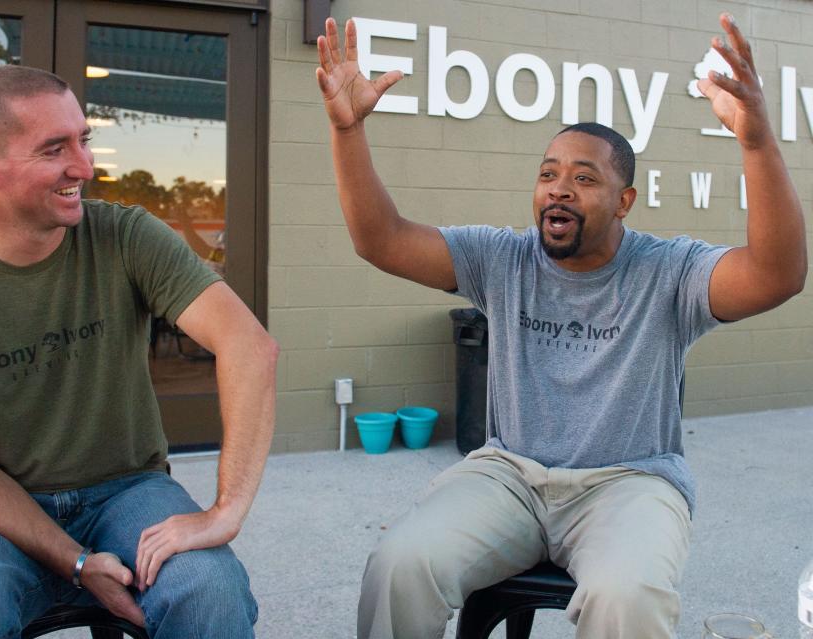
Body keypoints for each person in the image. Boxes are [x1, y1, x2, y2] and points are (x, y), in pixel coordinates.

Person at [315, 13, 806, 639]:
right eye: (548, 174)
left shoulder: (668, 272)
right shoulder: (503, 259)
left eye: (584, 178)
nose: (559, 190)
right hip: (509, 475)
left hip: (630, 482)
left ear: (624, 201)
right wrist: (348, 131)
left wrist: (758, 144)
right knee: (399, 565)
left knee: (626, 597)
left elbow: (777, 274)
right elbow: (380, 240)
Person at [0, 65, 278, 638]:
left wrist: (224, 514)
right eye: (54, 148)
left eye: (82, 139)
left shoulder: (126, 237)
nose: (84, 166)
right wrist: (77, 563)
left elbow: (249, 347)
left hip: (128, 489)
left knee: (208, 590)